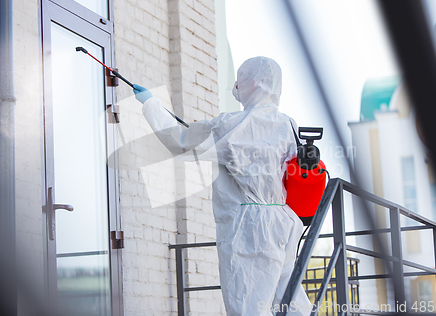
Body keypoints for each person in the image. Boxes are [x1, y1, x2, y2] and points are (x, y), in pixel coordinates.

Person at [134, 57, 312, 315]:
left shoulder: (233, 124)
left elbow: (181, 142)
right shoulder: (288, 124)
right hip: (283, 222)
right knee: (289, 300)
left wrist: (151, 104)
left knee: (248, 303)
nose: (237, 84)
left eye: (241, 78)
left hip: (249, 229)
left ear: (252, 82)